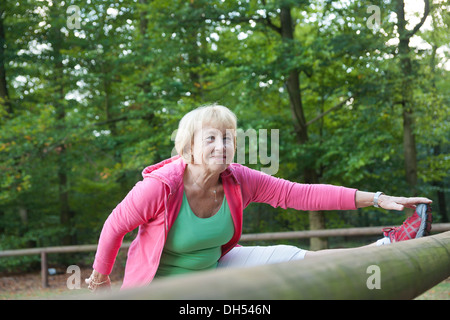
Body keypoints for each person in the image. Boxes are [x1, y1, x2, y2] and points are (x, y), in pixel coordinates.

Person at [86, 104, 432, 292]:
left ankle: (386, 247)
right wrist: (101, 275)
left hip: (214, 266)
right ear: (188, 147)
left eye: (228, 138)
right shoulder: (160, 188)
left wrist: (377, 198)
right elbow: (115, 226)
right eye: (211, 139)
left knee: (293, 258)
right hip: (162, 289)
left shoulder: (237, 179)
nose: (222, 146)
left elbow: (300, 194)